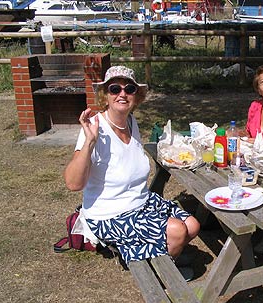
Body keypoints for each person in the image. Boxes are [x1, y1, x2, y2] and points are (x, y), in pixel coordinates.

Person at [64, 65, 200, 266]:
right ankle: (161, 271)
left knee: (193, 225)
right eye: (114, 89)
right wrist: (89, 143)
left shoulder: (130, 121)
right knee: (177, 230)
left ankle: (162, 254)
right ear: (105, 95)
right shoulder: (95, 128)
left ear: (136, 96)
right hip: (109, 214)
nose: (122, 94)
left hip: (140, 201)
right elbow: (73, 184)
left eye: (129, 89)